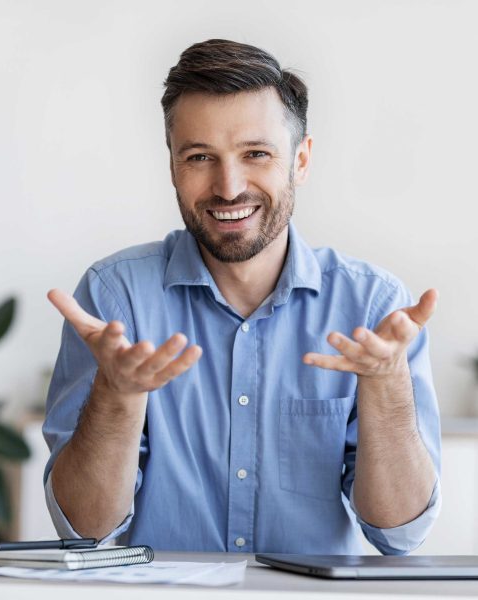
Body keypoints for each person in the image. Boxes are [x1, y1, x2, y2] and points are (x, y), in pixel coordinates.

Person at [43, 39, 441, 555]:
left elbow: (400, 534)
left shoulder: (374, 307)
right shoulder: (115, 298)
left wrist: (386, 386)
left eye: (256, 153)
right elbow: (83, 532)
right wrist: (117, 397)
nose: (229, 187)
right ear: (172, 168)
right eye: (200, 156)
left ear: (301, 160)